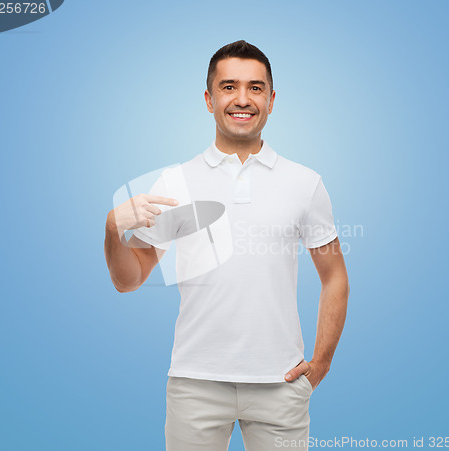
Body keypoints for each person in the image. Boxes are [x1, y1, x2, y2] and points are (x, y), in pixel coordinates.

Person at [104, 40, 350, 451]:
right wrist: (114, 229)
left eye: (255, 88)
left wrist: (321, 362)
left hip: (281, 383)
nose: (242, 99)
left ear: (271, 100)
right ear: (209, 98)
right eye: (229, 86)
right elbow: (128, 281)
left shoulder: (305, 183)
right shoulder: (175, 182)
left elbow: (334, 274)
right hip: (194, 383)